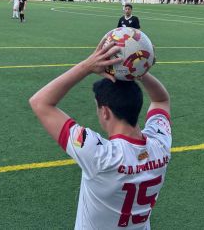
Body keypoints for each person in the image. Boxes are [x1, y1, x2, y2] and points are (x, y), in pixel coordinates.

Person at [29, 38, 171, 229]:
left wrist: (87, 66)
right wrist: (138, 69)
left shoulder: (101, 156)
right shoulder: (160, 144)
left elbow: (39, 102)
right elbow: (161, 100)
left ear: (105, 111)